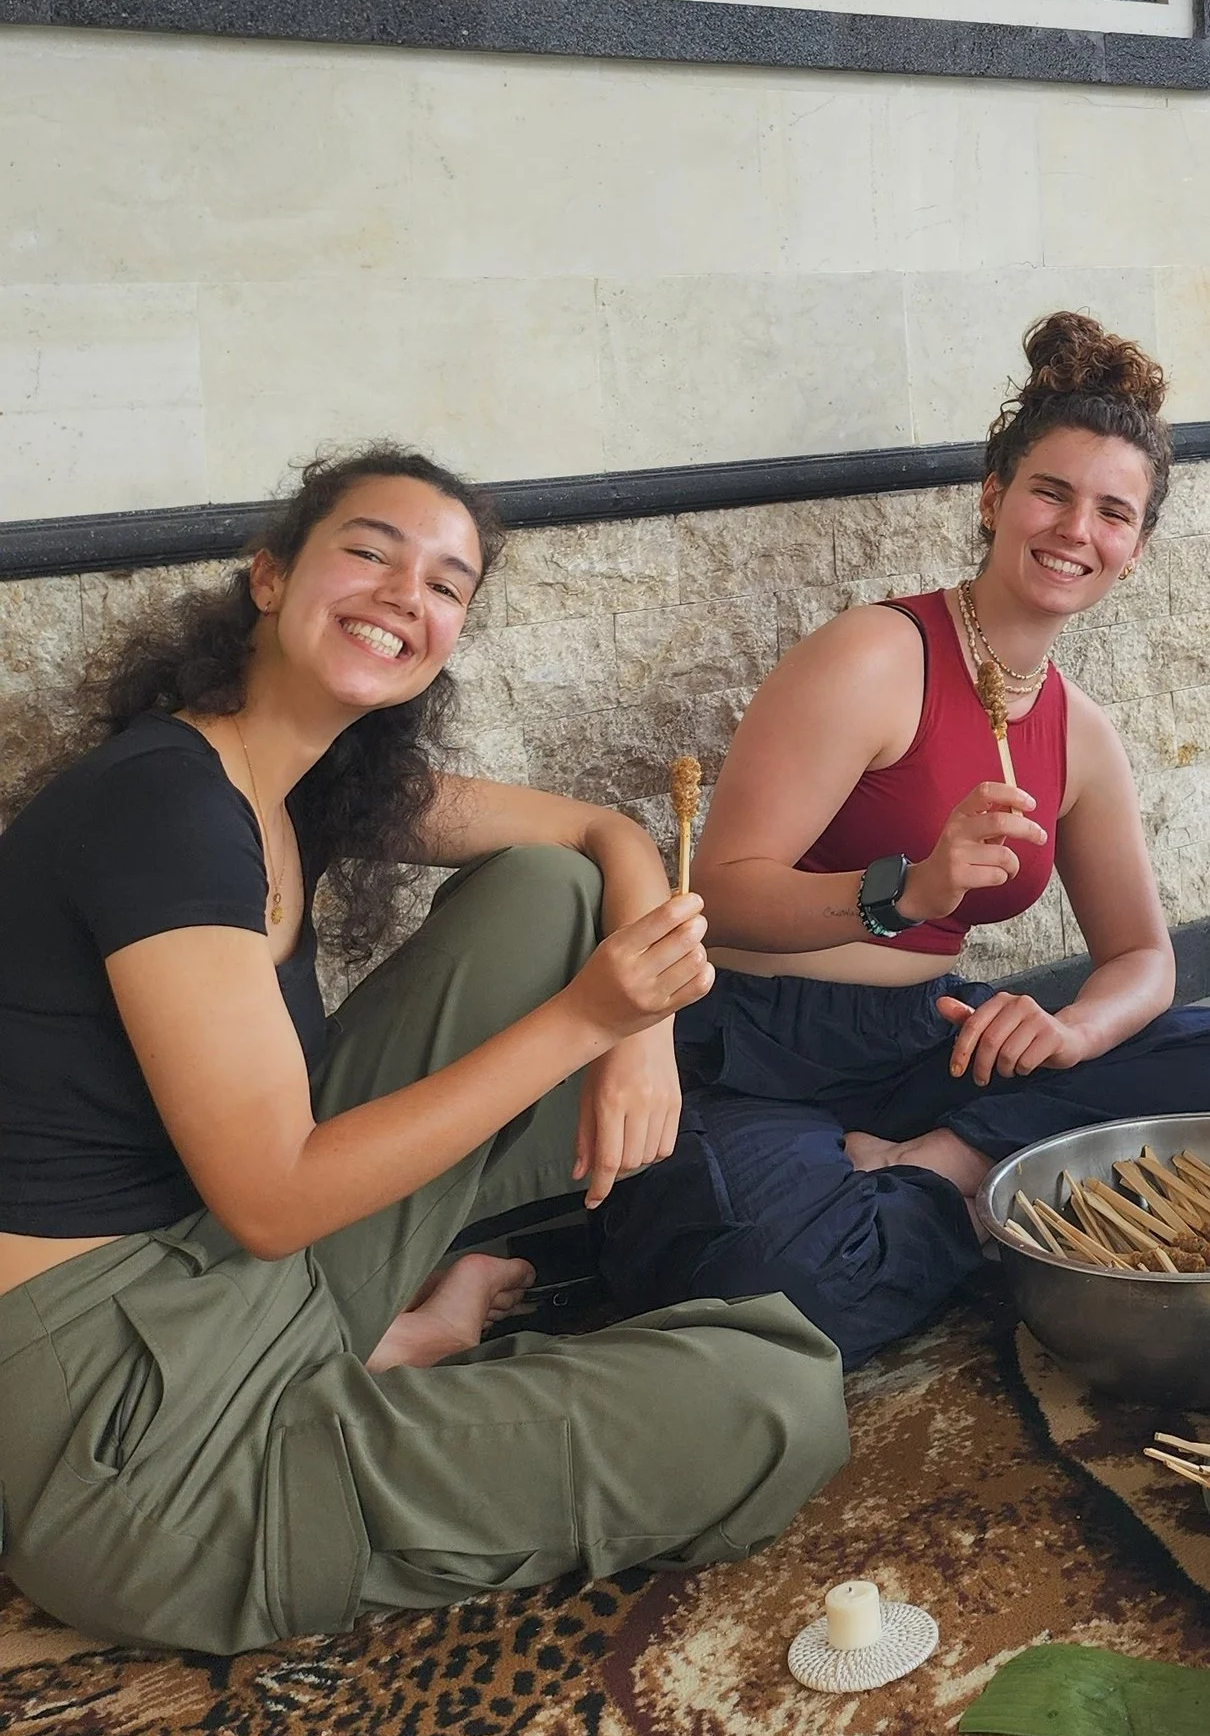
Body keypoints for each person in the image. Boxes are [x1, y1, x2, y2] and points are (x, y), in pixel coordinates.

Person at [0, 448, 846, 1659]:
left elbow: (600, 833)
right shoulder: (164, 810)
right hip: (138, 1446)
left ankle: (388, 1351)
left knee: (546, 894)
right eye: (369, 549)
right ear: (269, 575)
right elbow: (275, 1197)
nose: (408, 592)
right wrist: (591, 1021)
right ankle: (387, 1371)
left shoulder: (293, 787)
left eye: (448, 583)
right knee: (781, 1399)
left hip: (223, 1290)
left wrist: (645, 1033)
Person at [598, 315, 1210, 1359]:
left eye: (1112, 512)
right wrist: (904, 892)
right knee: (794, 1287)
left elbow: (1144, 958)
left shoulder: (1081, 734)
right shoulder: (875, 655)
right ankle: (982, 1211)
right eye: (1050, 491)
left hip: (920, 1044)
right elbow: (720, 894)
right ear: (993, 496)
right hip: (759, 1045)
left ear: (1134, 551)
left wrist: (1071, 1036)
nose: (1073, 529)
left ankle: (945, 1174)